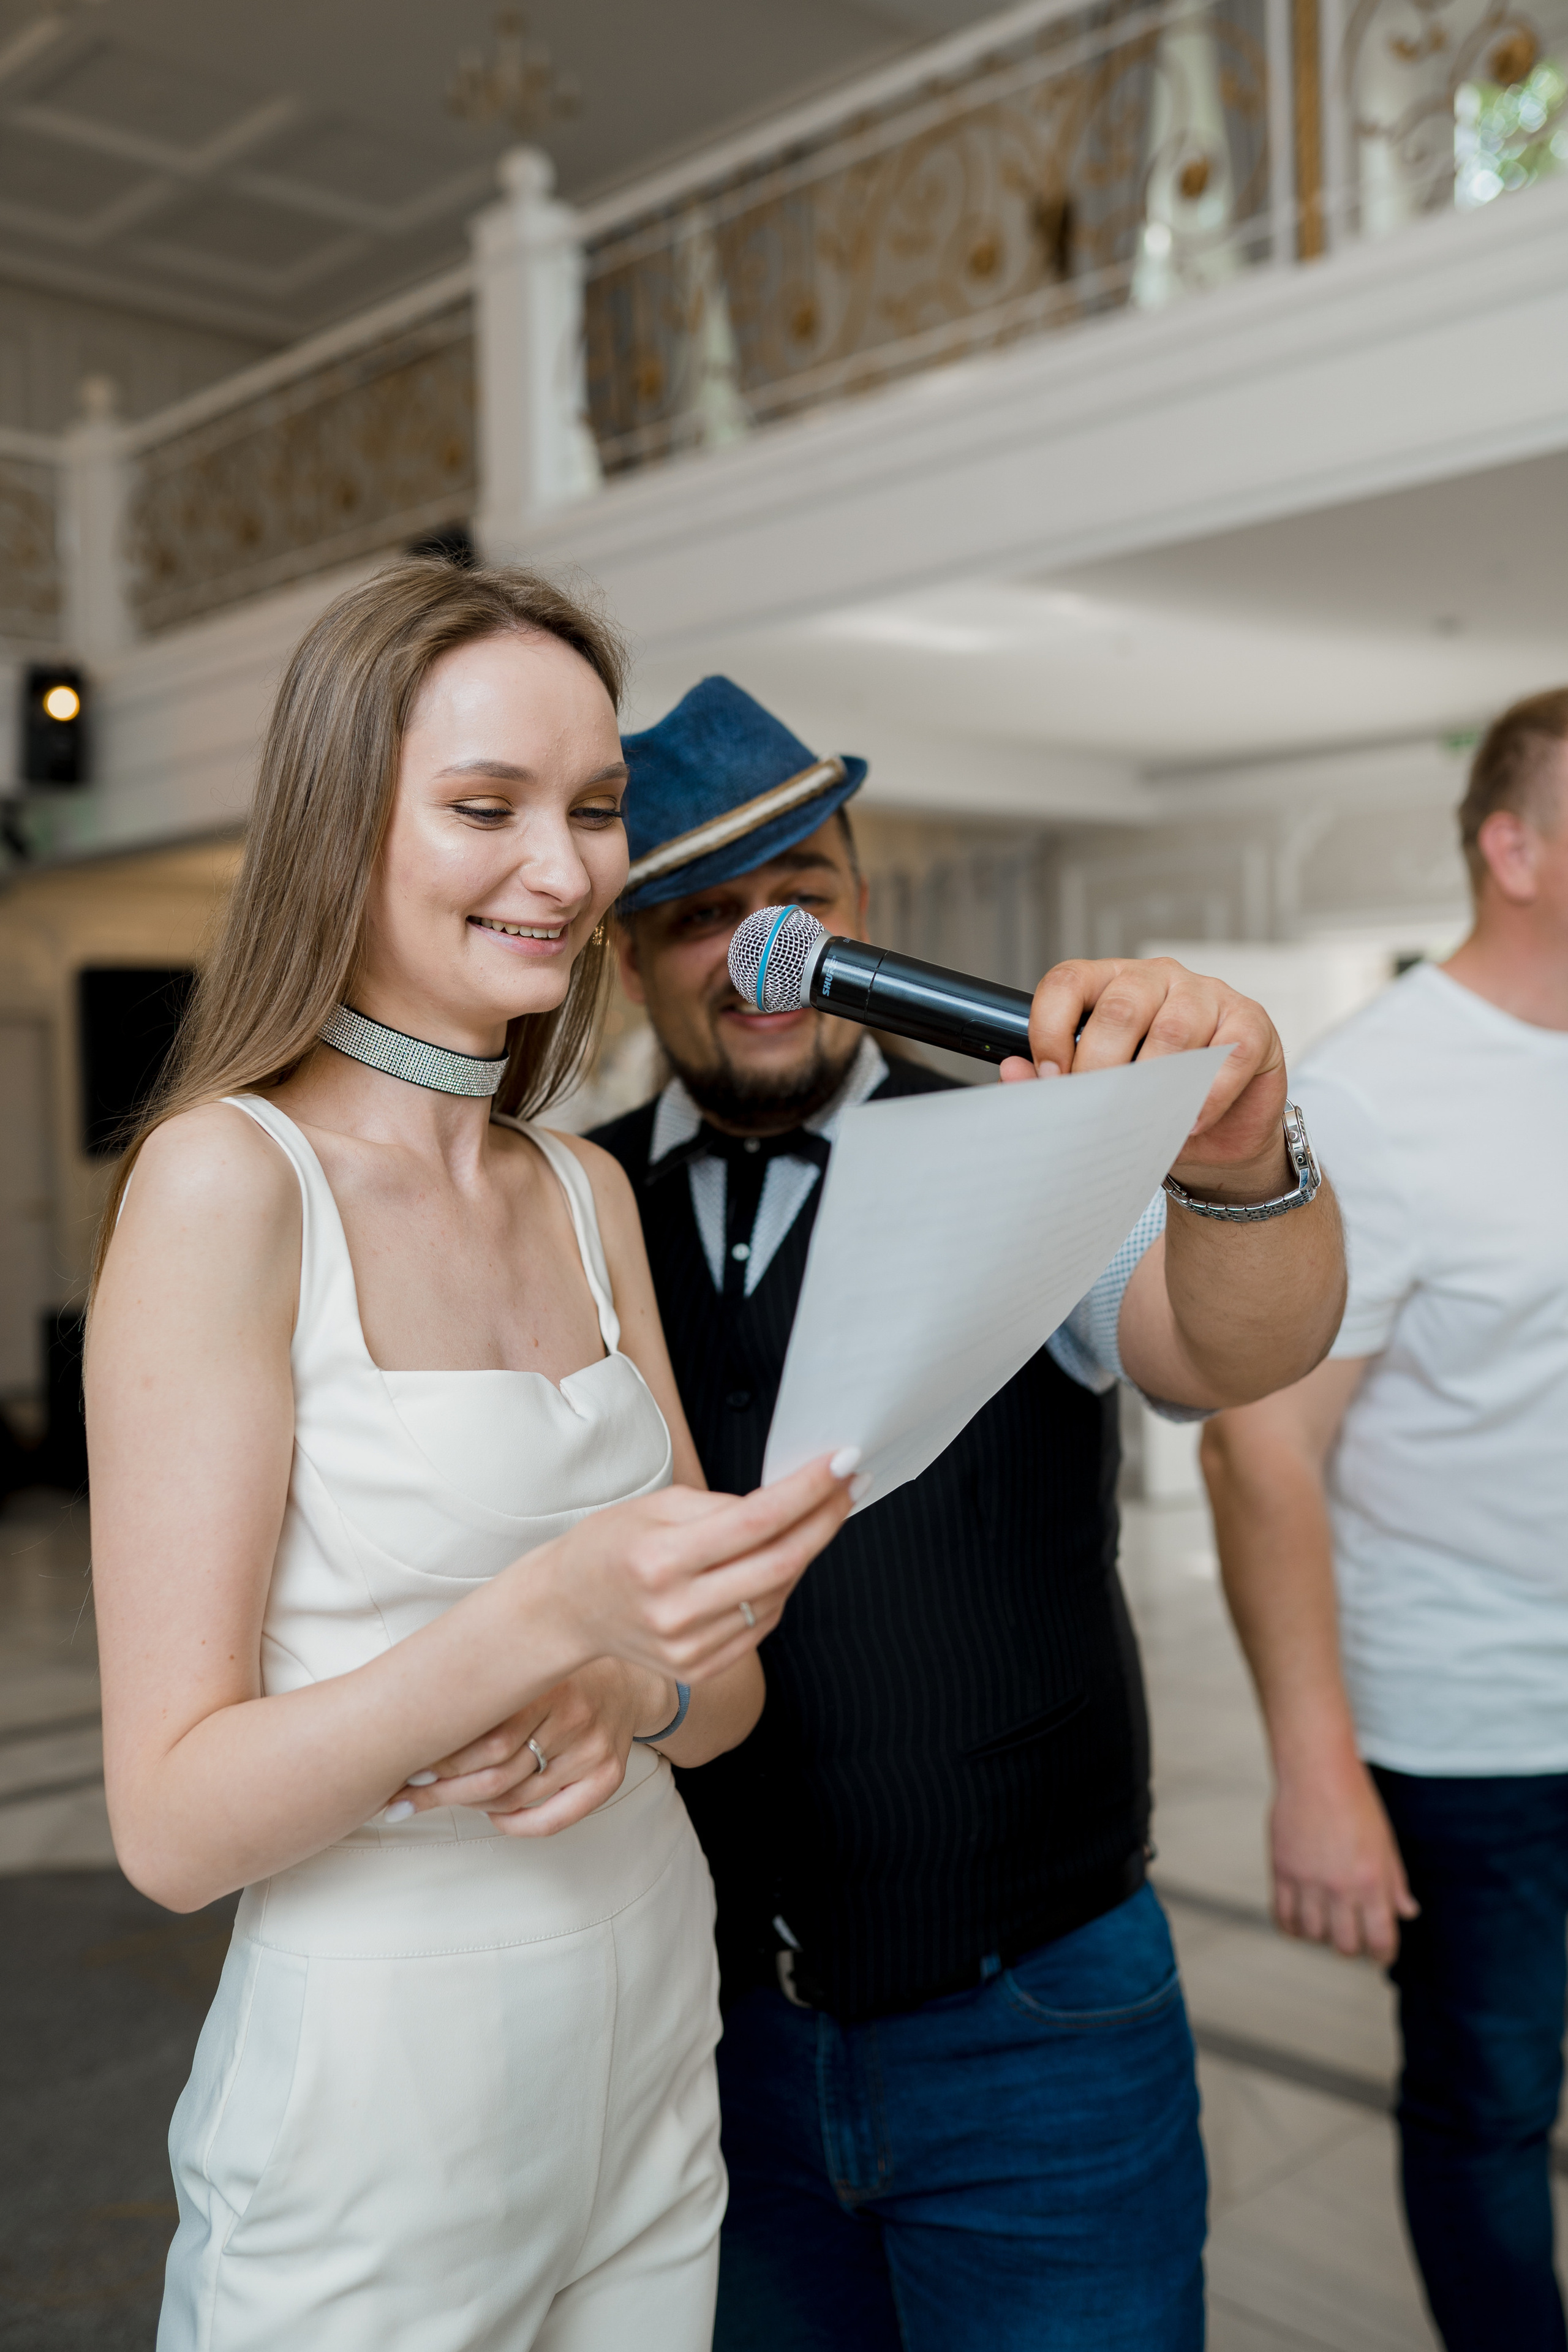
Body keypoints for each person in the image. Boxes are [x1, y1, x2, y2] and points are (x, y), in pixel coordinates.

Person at [85, 564, 858, 2352]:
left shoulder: (587, 1196)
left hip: (657, 2012)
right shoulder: (230, 1182)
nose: (566, 867)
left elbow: (721, 1696)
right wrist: (544, 1619)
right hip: (384, 2081)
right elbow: (174, 1828)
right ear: (344, 827)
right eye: (485, 807)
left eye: (594, 810)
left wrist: (625, 1692)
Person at [589, 675, 1346, 2352]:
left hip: (1037, 2027)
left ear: (861, 913)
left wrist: (1238, 1163)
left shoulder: (1020, 1150)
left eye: (800, 897)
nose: (755, 947)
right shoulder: (571, 1204)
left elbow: (1233, 1346)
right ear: (630, 959)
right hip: (703, 2039)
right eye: (701, 915)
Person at [1201, 688, 1568, 2352]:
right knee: (1491, 2108)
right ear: (1515, 848)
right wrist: (1316, 1768)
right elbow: (1259, 1450)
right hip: (1483, 1737)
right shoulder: (1374, 1099)